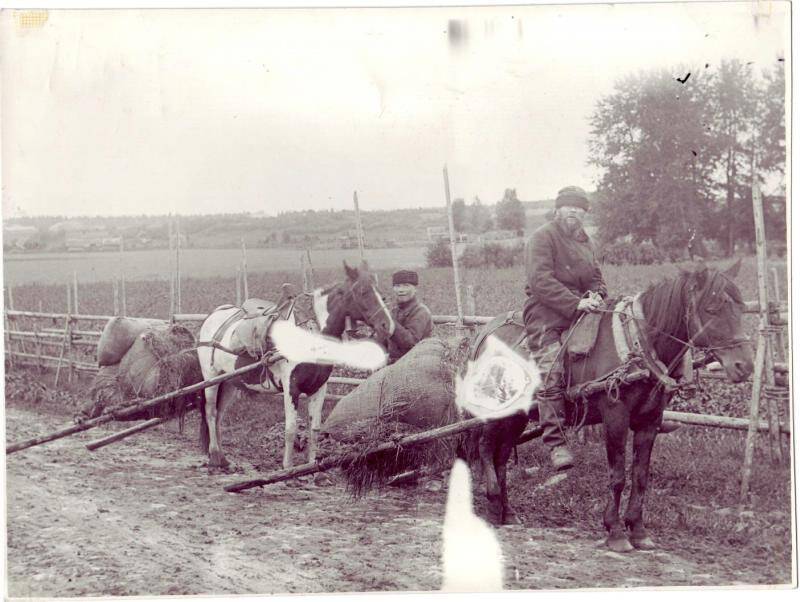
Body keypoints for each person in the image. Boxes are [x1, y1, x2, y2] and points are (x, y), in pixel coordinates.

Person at [523, 185, 608, 471]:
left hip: (582, 310)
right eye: (569, 206)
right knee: (552, 370)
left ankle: (642, 417)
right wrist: (576, 303)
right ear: (558, 209)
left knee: (616, 352)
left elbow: (597, 278)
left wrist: (597, 295)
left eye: (580, 208)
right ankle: (556, 443)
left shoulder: (586, 242)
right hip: (545, 312)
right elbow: (540, 281)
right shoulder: (542, 237)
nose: (574, 211)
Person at [380, 269, 434, 363]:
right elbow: (385, 340)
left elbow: (410, 342)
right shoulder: (394, 311)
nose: (401, 290)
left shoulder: (421, 311)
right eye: (397, 286)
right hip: (393, 366)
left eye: (406, 285)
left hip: (416, 364)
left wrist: (390, 321)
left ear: (415, 288)